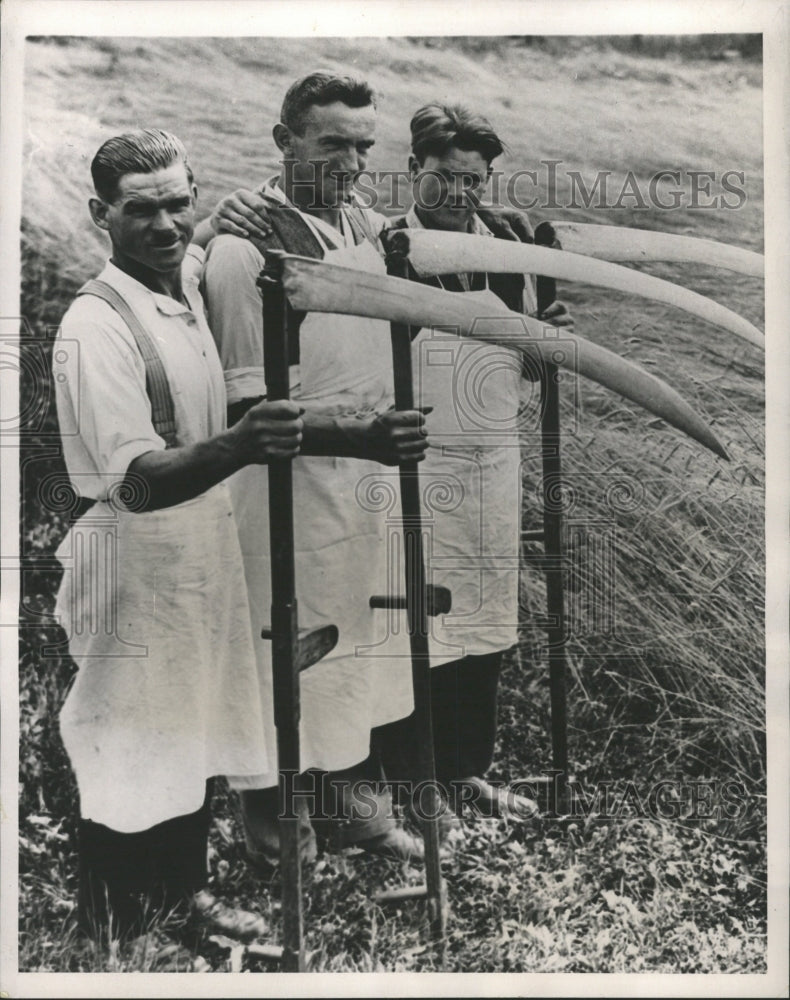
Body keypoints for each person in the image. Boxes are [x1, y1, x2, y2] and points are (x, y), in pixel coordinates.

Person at [204, 101, 574, 826]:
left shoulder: (503, 245)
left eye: (474, 182)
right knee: (416, 625)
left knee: (482, 622)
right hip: (410, 462)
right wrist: (223, 210)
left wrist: (546, 339)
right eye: (445, 179)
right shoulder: (387, 243)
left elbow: (527, 358)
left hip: (488, 468)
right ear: (414, 172)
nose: (459, 194)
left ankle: (462, 770)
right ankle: (407, 781)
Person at [53, 129, 304, 943]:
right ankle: (117, 922)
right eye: (139, 210)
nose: (163, 224)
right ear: (101, 215)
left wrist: (224, 215)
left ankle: (178, 898)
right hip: (134, 556)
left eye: (176, 203)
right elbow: (132, 479)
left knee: (186, 726)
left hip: (198, 548)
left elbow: (201, 246)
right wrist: (241, 442)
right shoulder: (96, 326)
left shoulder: (182, 278)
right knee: (129, 734)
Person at [195, 72, 430, 871]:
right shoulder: (245, 247)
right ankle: (279, 840)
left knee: (358, 652)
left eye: (364, 145)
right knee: (288, 659)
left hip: (362, 486)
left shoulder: (364, 225)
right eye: (333, 143)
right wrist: (364, 434)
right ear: (284, 140)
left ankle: (359, 820)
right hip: (283, 494)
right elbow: (245, 412)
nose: (353, 161)